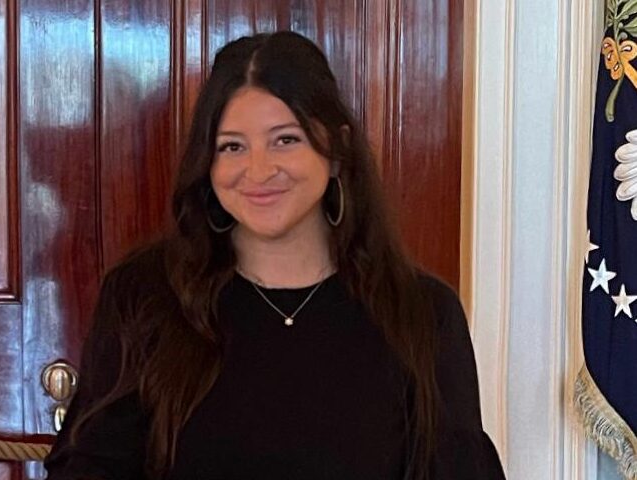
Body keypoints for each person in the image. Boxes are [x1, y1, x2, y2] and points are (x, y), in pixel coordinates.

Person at [44, 31, 505, 480]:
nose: (259, 170)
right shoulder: (143, 295)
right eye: (232, 146)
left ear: (338, 148)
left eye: (285, 139)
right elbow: (90, 466)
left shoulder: (423, 313)